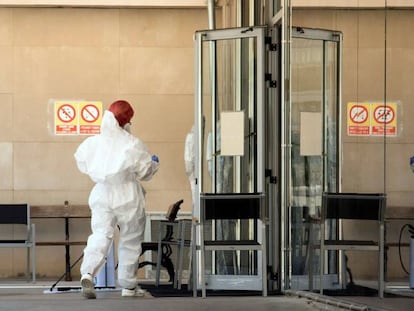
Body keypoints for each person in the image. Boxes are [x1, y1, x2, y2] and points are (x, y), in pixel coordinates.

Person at [74, 100, 159, 299]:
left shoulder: (92, 142)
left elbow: (82, 163)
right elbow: (145, 172)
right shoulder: (132, 143)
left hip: (102, 192)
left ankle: (88, 272)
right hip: (127, 193)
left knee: (100, 234)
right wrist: (154, 164)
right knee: (130, 238)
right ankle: (128, 286)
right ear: (127, 120)